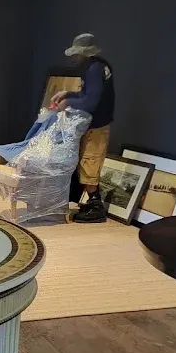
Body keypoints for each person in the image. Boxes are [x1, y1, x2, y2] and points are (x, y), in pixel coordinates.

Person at [51, 33, 115, 223]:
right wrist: (68, 93)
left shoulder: (94, 69)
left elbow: (90, 101)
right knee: (86, 163)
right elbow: (89, 94)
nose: (73, 58)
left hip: (97, 125)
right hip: (94, 124)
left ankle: (96, 207)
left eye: (76, 54)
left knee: (90, 163)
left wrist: (67, 102)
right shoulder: (97, 67)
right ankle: (92, 203)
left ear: (84, 53)